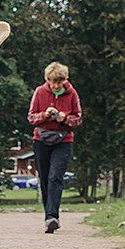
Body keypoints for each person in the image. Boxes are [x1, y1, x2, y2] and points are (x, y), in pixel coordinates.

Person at [27, 62, 82, 231]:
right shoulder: (40, 92)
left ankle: (53, 216)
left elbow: (78, 118)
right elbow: (31, 118)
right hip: (41, 140)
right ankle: (48, 216)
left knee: (55, 177)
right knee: (44, 178)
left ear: (65, 80)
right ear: (48, 80)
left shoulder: (72, 94)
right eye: (53, 82)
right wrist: (45, 114)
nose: (56, 85)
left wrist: (64, 118)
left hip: (63, 141)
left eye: (60, 82)